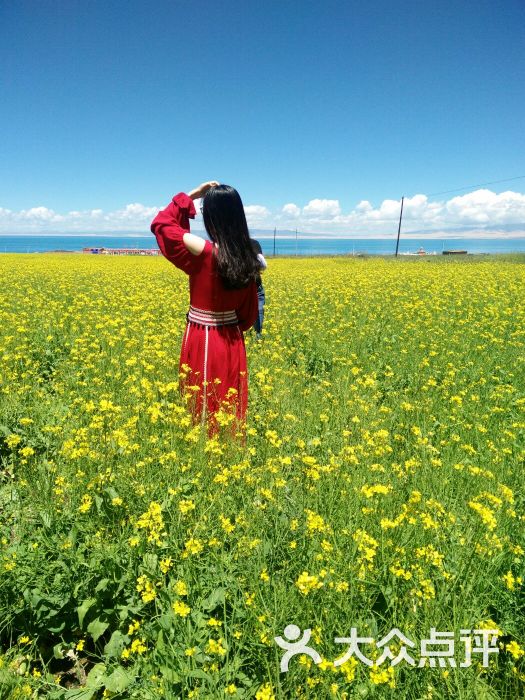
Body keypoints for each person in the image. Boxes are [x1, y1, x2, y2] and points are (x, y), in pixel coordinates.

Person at [150, 182, 260, 434]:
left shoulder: (202, 249)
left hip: (202, 336)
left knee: (198, 403)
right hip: (232, 339)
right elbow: (249, 314)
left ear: (211, 217)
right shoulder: (248, 258)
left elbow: (162, 225)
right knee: (228, 402)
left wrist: (188, 197)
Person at [250, 238, 267, 340]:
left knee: (258, 310)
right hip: (252, 286)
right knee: (259, 310)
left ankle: (257, 336)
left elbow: (263, 264)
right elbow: (263, 265)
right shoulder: (254, 243)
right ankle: (257, 335)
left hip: (254, 287)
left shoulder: (253, 244)